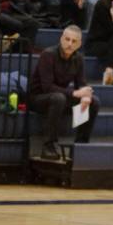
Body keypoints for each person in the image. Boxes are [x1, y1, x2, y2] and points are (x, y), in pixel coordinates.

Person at [29, 25, 100, 161]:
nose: (69, 44)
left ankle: (81, 144)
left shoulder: (79, 58)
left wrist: (85, 95)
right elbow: (47, 87)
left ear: (79, 44)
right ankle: (48, 146)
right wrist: (75, 94)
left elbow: (81, 83)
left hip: (59, 97)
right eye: (67, 39)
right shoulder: (48, 54)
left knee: (94, 102)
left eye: (74, 41)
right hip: (37, 98)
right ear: (61, 39)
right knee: (59, 98)